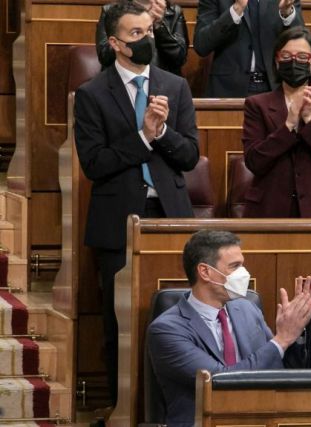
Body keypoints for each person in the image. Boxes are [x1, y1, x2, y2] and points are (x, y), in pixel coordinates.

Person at [74, 1, 199, 405]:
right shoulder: (92, 94)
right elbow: (95, 164)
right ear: (115, 43)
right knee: (120, 324)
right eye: (136, 34)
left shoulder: (174, 86)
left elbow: (190, 155)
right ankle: (122, 409)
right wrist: (143, 137)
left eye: (148, 30)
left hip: (171, 217)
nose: (147, 38)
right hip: (118, 221)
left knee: (181, 316)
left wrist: (161, 134)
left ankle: (176, 405)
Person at [147, 230, 311, 426]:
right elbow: (219, 382)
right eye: (235, 266)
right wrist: (281, 340)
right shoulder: (166, 330)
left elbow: (277, 370)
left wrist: (295, 333)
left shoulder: (247, 308)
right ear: (205, 272)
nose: (244, 273)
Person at [241, 27, 311, 217]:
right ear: (277, 60)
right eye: (287, 56)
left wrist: (309, 119)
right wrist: (288, 125)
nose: (294, 62)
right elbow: (254, 161)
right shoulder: (257, 105)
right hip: (268, 209)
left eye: (302, 57)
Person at [193, 0, 303, 97]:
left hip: (275, 87)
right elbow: (201, 45)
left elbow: (303, 42)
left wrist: (287, 14)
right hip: (228, 89)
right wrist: (236, 9)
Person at [95, 0, 189, 75]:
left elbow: (179, 58)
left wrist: (158, 26)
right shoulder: (111, 11)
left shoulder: (174, 12)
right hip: (121, 79)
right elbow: (105, 57)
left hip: (162, 81)